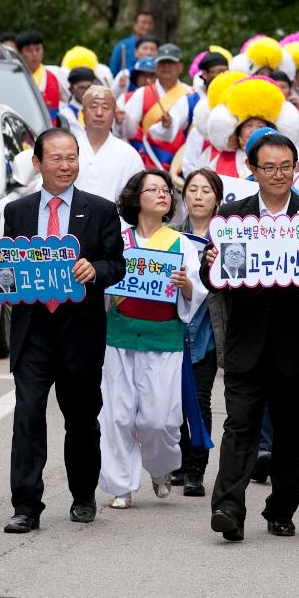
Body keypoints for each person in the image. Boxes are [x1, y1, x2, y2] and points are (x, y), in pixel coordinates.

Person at [0, 129, 124, 532]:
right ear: (37, 164)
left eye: (71, 157)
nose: (65, 165)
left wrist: (95, 269)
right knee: (26, 417)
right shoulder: (18, 212)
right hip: (33, 331)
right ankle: (25, 506)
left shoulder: (99, 210)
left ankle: (82, 495)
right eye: (56, 159)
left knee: (81, 420)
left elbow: (117, 263)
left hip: (81, 332)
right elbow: (9, 264)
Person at [206, 130, 299, 542]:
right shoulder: (231, 215)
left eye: (286, 166)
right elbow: (210, 276)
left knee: (288, 432)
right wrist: (210, 261)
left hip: (296, 341)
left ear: (296, 167)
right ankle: (228, 507)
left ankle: (281, 508)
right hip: (245, 341)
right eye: (268, 167)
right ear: (252, 169)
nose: (278, 174)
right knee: (239, 425)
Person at [98, 169, 205, 508]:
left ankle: (160, 469)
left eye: (166, 190)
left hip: (164, 337)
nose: (163, 195)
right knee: (118, 416)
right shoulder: (119, 241)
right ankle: (121, 486)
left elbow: (195, 291)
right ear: (135, 198)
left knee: (160, 419)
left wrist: (184, 284)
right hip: (120, 335)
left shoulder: (180, 243)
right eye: (153, 189)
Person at [176, 168, 227, 497]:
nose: (198, 196)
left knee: (199, 400)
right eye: (192, 189)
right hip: (173, 330)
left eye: (206, 190)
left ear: (218, 199)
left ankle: (196, 470)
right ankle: (179, 462)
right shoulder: (168, 236)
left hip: (208, 330)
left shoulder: (226, 239)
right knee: (172, 404)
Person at [122, 43, 198, 171]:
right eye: (162, 63)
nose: (166, 67)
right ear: (156, 66)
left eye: (171, 63)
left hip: (180, 165)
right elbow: (129, 130)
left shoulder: (191, 94)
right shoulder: (141, 93)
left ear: (180, 67)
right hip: (147, 161)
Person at [75, 86, 144, 203]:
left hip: (115, 221)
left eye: (106, 108)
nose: (99, 113)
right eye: (93, 107)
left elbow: (137, 197)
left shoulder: (129, 155)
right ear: (83, 113)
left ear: (114, 114)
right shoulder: (67, 149)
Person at [15, 29, 62, 125]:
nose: (34, 54)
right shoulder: (14, 77)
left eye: (38, 49)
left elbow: (54, 112)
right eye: (29, 50)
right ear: (19, 53)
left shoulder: (51, 78)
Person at [108, 11, 155, 78]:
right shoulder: (122, 46)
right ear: (135, 24)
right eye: (143, 23)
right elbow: (113, 71)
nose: (147, 26)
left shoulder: (157, 47)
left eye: (150, 23)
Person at [59, 66, 96, 132]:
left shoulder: (102, 109)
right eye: (81, 88)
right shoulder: (66, 113)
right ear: (71, 89)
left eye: (89, 87)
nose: (86, 91)